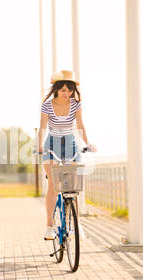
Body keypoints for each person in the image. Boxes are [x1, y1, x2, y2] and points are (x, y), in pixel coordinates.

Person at [37, 70, 96, 240]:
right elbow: (42, 128)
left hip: (71, 143)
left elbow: (80, 126)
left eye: (69, 90)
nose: (67, 93)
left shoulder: (75, 104)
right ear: (56, 89)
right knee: (54, 186)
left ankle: (76, 224)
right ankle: (49, 225)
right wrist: (40, 146)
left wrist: (87, 143)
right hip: (52, 143)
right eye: (63, 90)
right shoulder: (47, 105)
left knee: (72, 187)